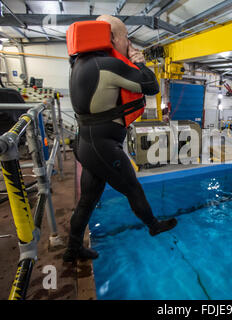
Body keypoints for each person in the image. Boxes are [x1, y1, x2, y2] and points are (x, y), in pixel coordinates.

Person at [63, 15, 177, 262]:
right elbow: (150, 86)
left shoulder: (81, 62)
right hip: (102, 146)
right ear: (113, 37)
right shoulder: (105, 64)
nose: (129, 43)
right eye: (126, 37)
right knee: (132, 187)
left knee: (88, 200)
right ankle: (153, 225)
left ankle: (72, 250)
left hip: (87, 142)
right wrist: (141, 62)